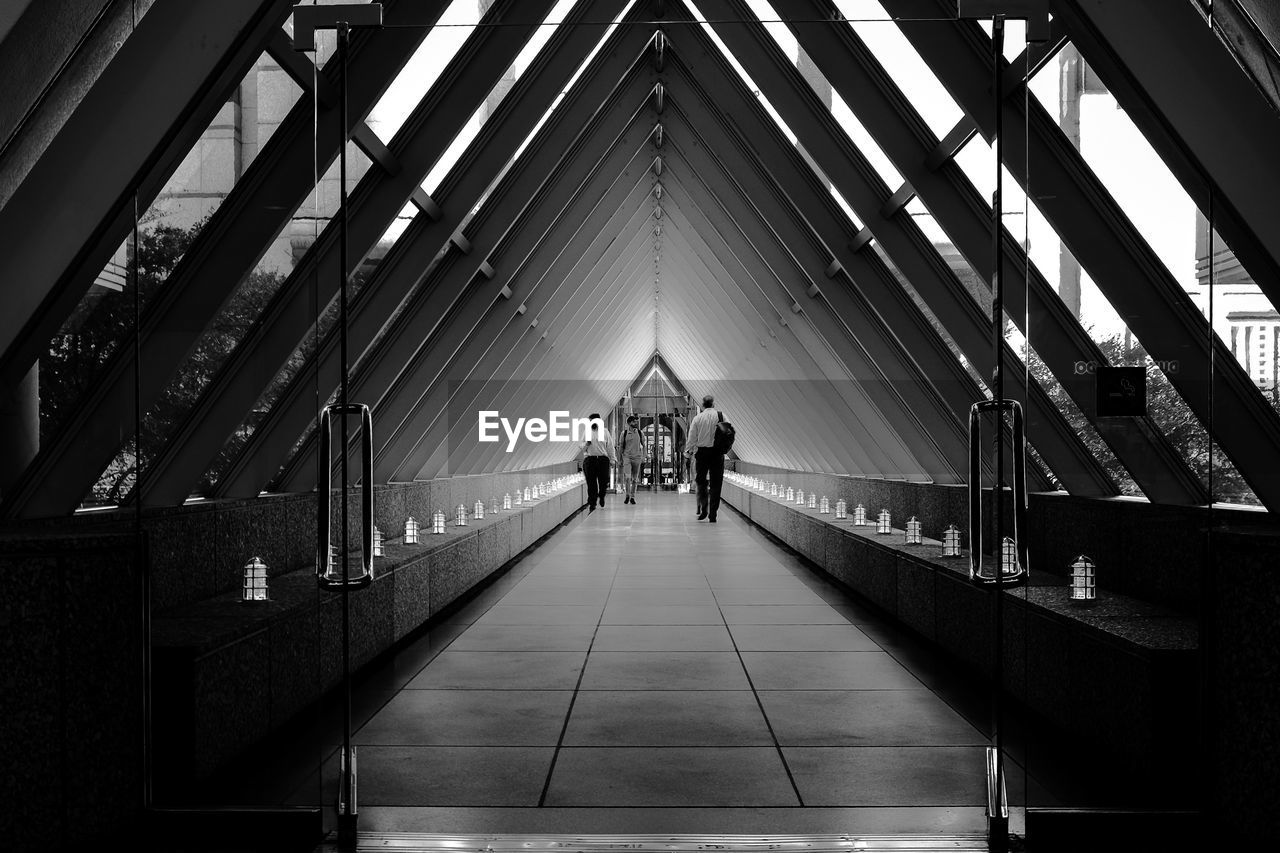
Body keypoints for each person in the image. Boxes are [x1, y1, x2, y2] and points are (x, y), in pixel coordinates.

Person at [684, 394, 725, 523]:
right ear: (713, 404)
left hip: (702, 453)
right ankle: (713, 513)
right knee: (716, 483)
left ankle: (704, 509)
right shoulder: (721, 416)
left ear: (703, 405)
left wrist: (688, 452)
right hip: (717, 453)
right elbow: (728, 431)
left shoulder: (698, 418)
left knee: (701, 481)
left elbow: (692, 438)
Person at [579, 412, 613, 512]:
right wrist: (587, 443)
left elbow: (610, 446)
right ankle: (592, 503)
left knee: (603, 482)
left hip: (603, 459)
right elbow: (581, 447)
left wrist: (613, 459)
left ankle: (602, 496)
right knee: (591, 483)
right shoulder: (587, 431)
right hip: (590, 460)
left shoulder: (605, 432)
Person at [616, 414, 646, 504]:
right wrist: (620, 459)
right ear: (629, 423)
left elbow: (644, 445)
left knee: (634, 479)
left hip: (637, 458)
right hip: (627, 457)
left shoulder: (640, 433)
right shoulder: (624, 433)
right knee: (628, 478)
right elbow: (621, 446)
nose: (636, 422)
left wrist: (644, 456)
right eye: (633, 421)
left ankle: (633, 496)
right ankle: (627, 495)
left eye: (636, 421)